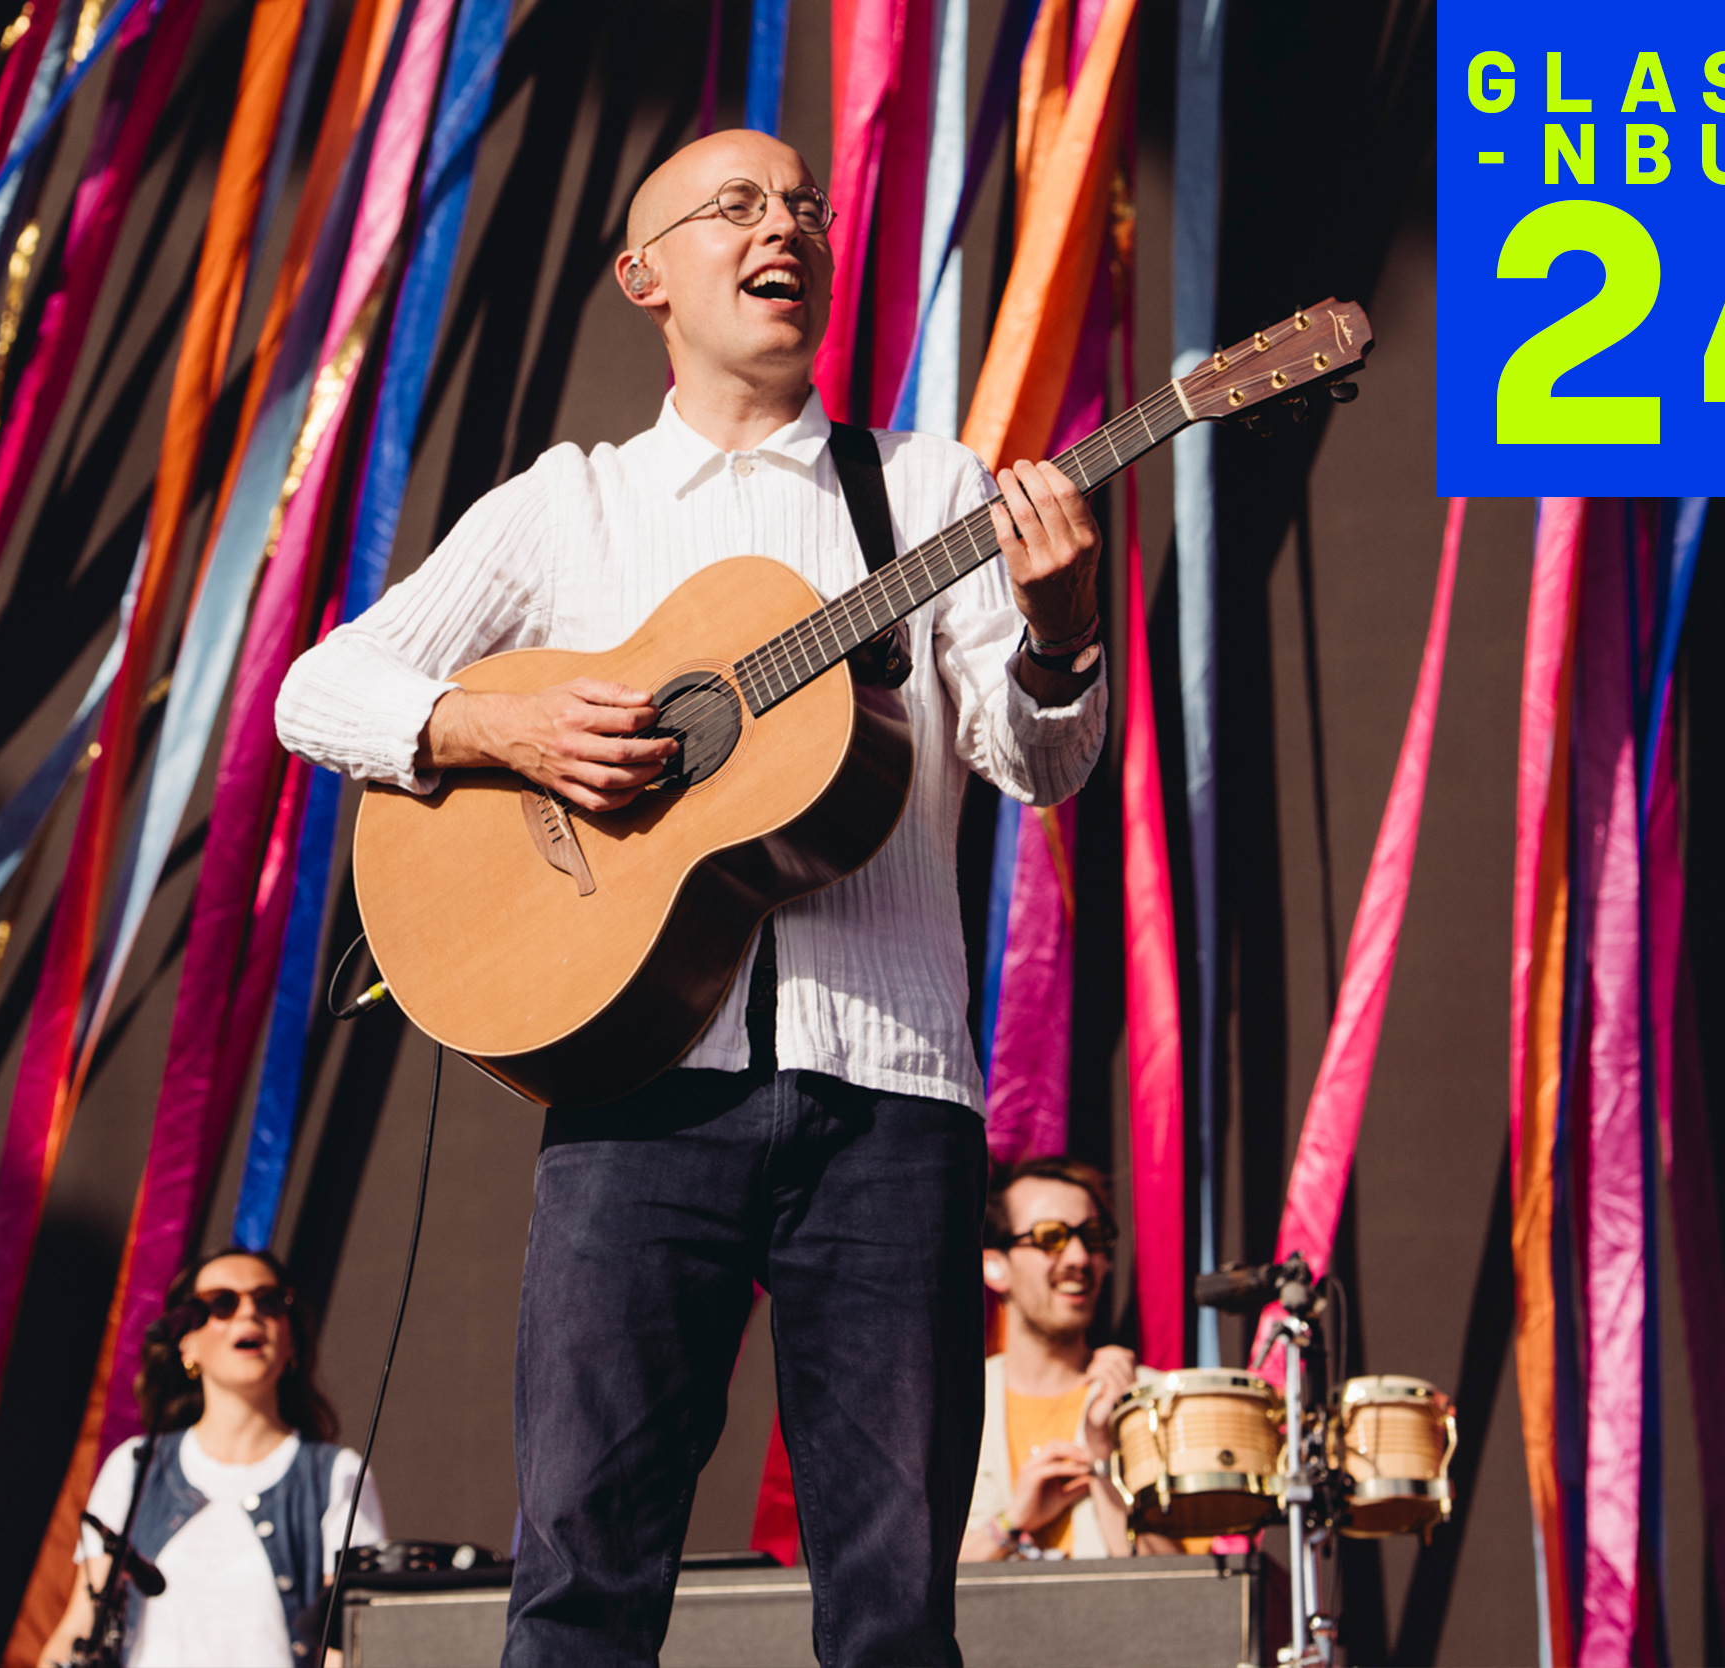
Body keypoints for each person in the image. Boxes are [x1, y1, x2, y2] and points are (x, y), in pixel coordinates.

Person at [275, 127, 1105, 1667]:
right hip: (638, 1091)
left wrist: (1057, 635)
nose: (781, 227)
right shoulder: (569, 504)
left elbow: (1034, 762)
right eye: (735, 206)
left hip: (892, 1106)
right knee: (582, 1579)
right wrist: (488, 724)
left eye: (805, 205)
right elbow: (319, 690)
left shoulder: (924, 488)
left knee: (894, 1603)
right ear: (643, 274)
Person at [39, 1248, 383, 1668]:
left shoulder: (337, 1477)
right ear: (188, 1345)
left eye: (269, 1301)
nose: (248, 1314)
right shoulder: (134, 1467)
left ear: (291, 1339)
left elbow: (349, 1649)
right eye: (222, 1303)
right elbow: (79, 1627)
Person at [963, 1156, 1180, 1561]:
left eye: (1093, 1236)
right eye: (1051, 1237)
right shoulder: (947, 1409)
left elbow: (1182, 1596)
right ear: (994, 1266)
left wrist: (1107, 1462)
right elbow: (906, 1596)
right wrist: (1012, 1523)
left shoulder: (1153, 1402)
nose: (1079, 1257)